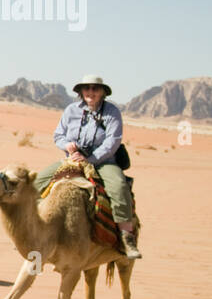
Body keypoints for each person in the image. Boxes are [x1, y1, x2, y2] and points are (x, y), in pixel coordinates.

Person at [34, 75, 141, 259]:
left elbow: (112, 142)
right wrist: (67, 145)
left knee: (119, 187)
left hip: (103, 162)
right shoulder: (71, 110)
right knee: (36, 182)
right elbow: (59, 135)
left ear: (103, 92)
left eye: (95, 88)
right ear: (81, 91)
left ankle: (126, 237)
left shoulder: (112, 112)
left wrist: (90, 159)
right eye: (87, 88)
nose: (91, 92)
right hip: (73, 159)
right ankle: (34, 232)